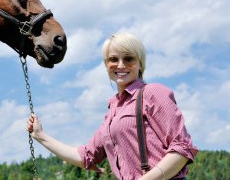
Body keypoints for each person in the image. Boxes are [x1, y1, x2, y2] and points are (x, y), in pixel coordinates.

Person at [27, 32, 198, 180]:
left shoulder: (153, 93)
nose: (121, 65)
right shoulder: (113, 110)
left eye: (129, 58)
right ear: (106, 65)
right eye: (113, 59)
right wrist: (40, 136)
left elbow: (182, 148)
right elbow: (87, 157)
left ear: (140, 64)